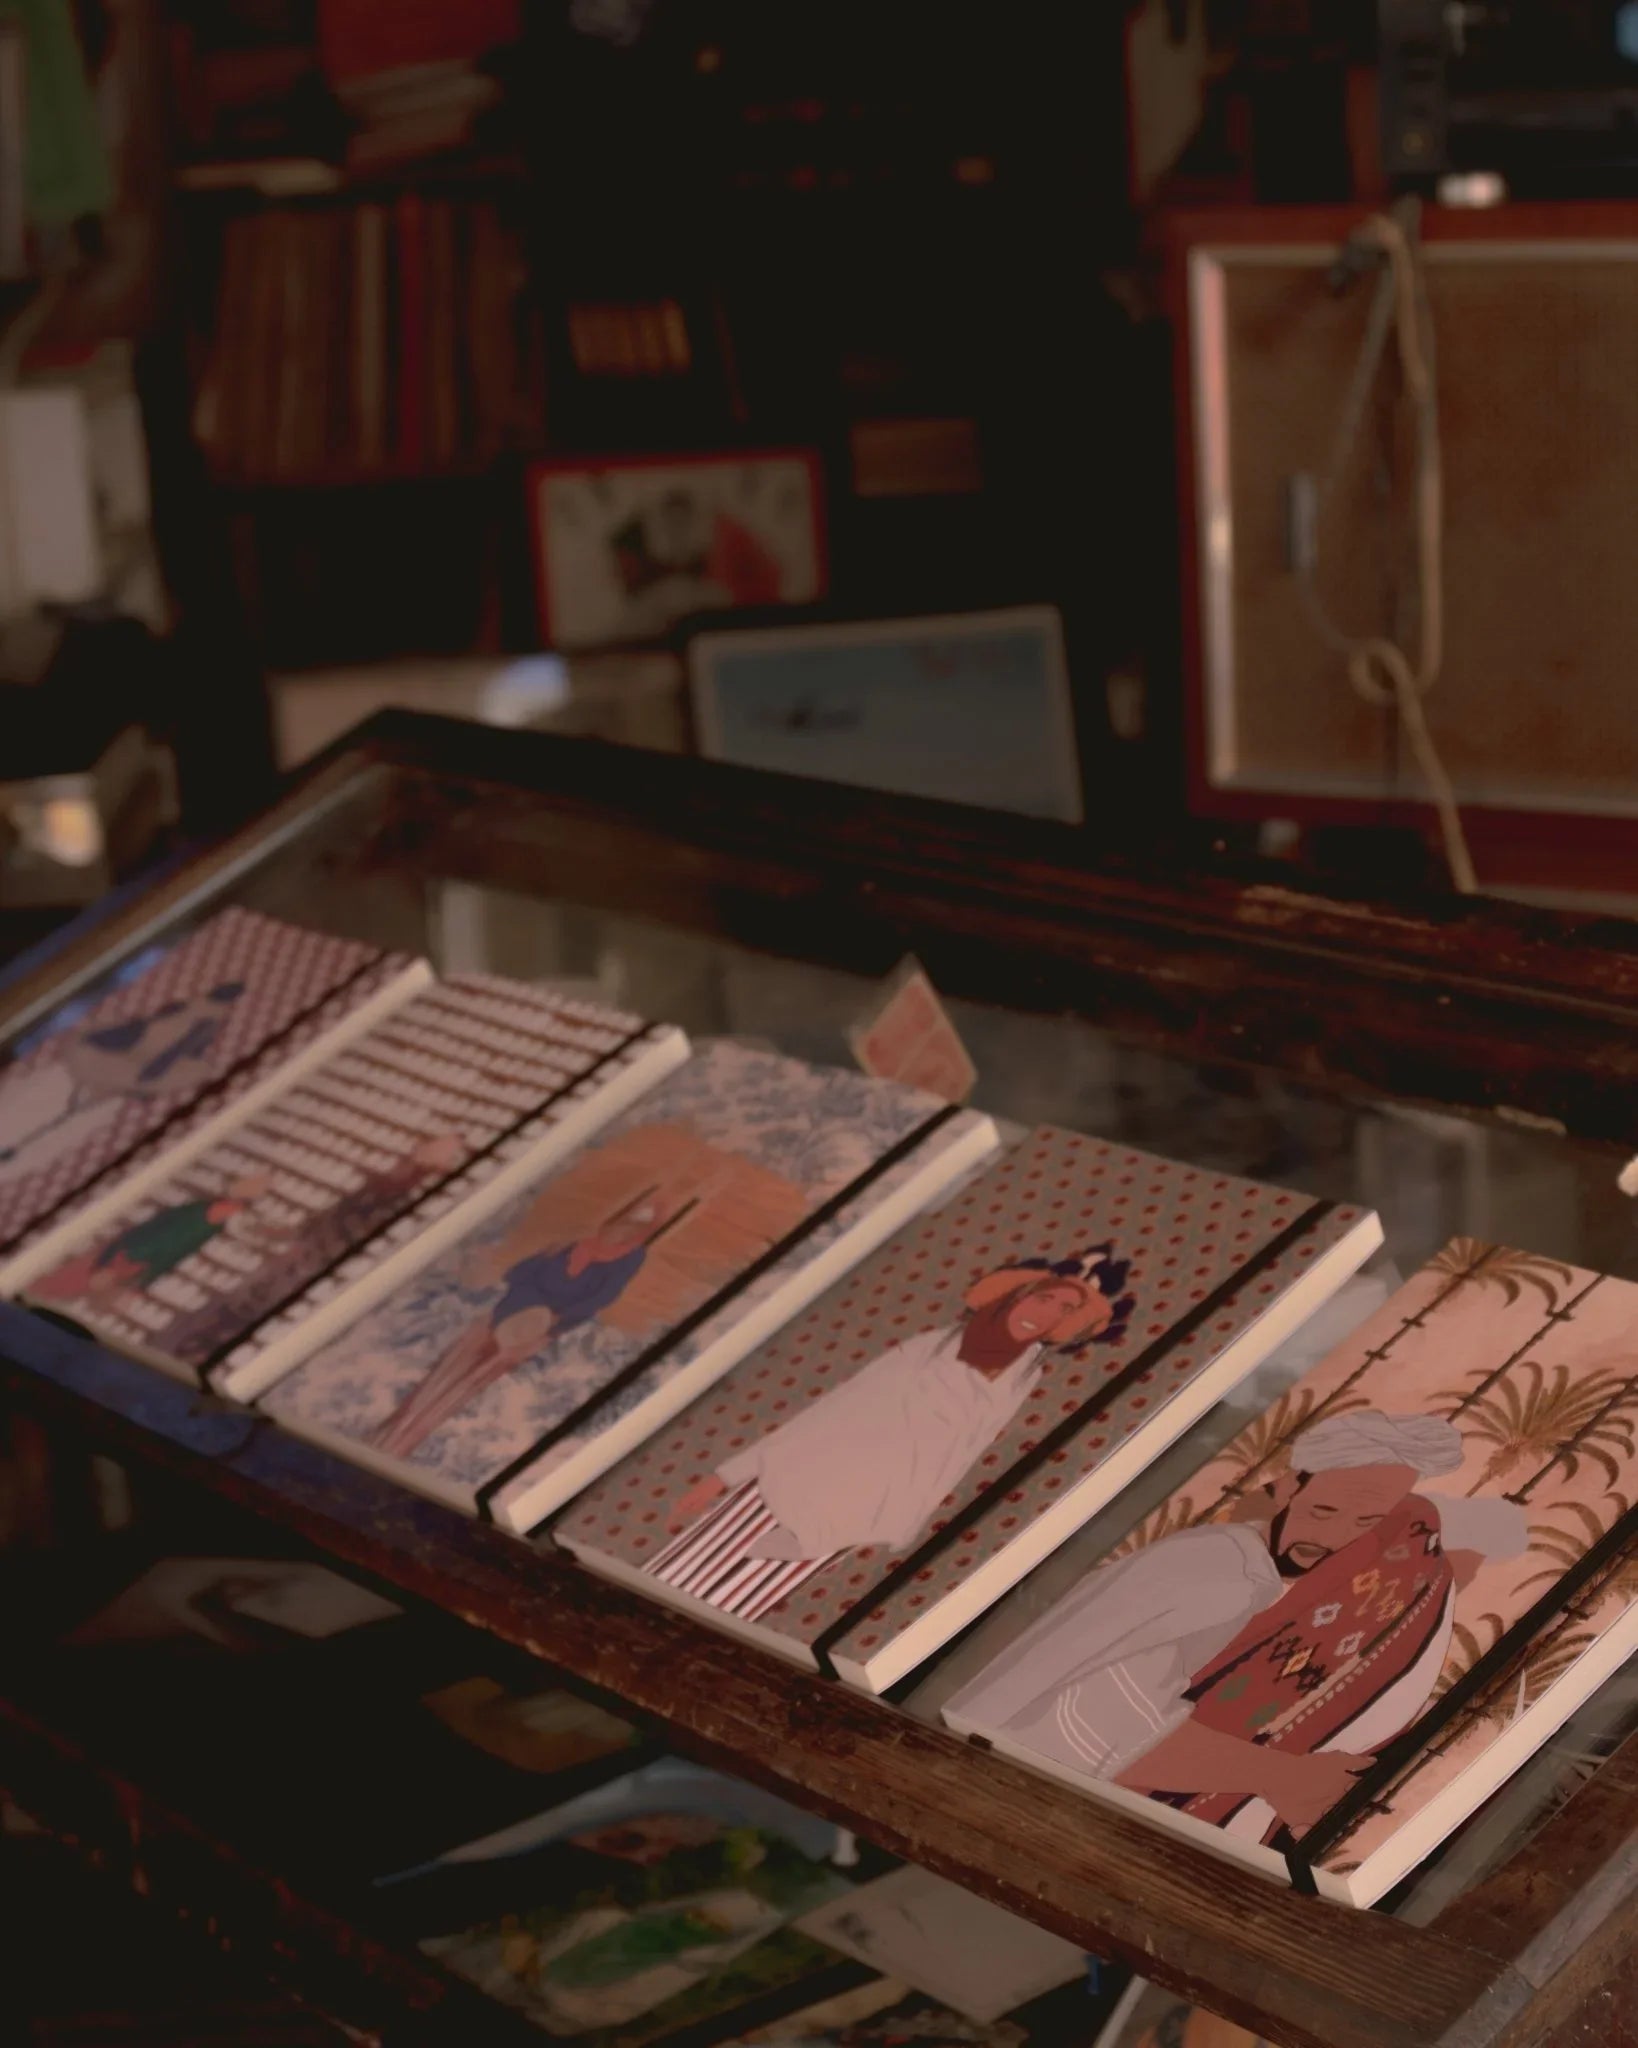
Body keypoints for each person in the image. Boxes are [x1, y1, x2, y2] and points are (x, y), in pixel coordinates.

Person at [946, 1410, 1528, 1842]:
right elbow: (1103, 1719)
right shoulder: (1218, 1572)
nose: (1333, 1537)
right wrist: (1280, 1775)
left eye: (1364, 1522)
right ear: (1287, 1487)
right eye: (1323, 1511)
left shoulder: (1247, 1574)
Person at [645, 1247, 1135, 1625]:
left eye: (1063, 1310)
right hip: (789, 1480)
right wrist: (725, 1476)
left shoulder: (1017, 1385)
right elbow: (831, 1410)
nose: (1046, 1313)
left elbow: (959, 1457)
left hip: (856, 1518)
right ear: (1017, 1296)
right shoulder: (929, 1347)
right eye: (1043, 1298)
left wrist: (904, 1523)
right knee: (673, 1582)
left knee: (736, 1608)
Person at [369, 1187, 689, 1459]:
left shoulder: (619, 1265)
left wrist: (549, 1320)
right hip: (504, 1313)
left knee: (466, 1385)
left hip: (535, 1331)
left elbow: (596, 1301)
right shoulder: (568, 1246)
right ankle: (388, 1429)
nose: (619, 1234)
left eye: (629, 1232)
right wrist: (525, 1302)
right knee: (444, 1371)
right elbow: (519, 1274)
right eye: (619, 1226)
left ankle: (403, 1443)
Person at [0, 982, 247, 1180]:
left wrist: (154, 1068)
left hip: (147, 1057)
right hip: (138, 1049)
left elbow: (181, 1047)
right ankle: (29, 1136)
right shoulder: (200, 1009)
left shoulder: (207, 1016)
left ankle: (31, 1139)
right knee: (76, 1094)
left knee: (88, 1101)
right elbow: (167, 1031)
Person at [33, 1171, 281, 1315]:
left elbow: (163, 1246)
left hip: (174, 1233)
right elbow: (163, 1256)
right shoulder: (133, 1261)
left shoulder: (125, 1254)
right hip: (176, 1233)